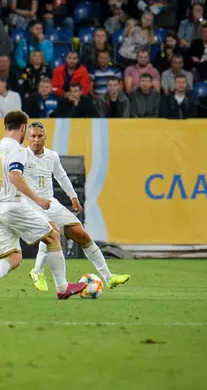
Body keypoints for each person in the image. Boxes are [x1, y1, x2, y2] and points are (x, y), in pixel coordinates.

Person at [0, 110, 86, 300]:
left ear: (6, 127)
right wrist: (39, 200)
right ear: (23, 128)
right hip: (12, 205)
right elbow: (15, 176)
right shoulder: (18, 150)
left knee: (13, 258)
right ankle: (63, 288)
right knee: (53, 234)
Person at [24, 121, 130, 291]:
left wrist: (73, 196)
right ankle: (38, 272)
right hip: (31, 206)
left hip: (51, 204)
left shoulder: (52, 156)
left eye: (40, 136)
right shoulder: (21, 157)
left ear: (45, 137)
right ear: (27, 138)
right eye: (33, 136)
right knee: (52, 233)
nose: (36, 140)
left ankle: (109, 277)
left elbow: (62, 176)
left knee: (83, 236)